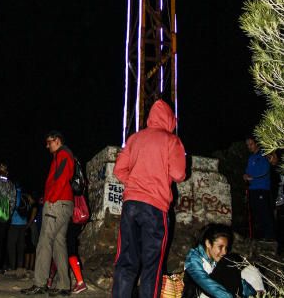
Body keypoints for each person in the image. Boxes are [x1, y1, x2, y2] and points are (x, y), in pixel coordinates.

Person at [112, 99, 186, 298]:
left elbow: (118, 170)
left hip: (130, 205)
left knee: (126, 260)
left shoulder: (135, 138)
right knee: (152, 265)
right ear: (171, 120)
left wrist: (136, 183)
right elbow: (179, 174)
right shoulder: (172, 140)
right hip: (155, 208)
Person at [22, 130, 75, 297]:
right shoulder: (63, 155)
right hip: (64, 203)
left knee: (44, 242)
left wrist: (50, 200)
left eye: (49, 142)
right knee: (59, 244)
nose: (47, 145)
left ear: (57, 141)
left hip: (57, 204)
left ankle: (40, 283)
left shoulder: (63, 154)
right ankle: (64, 286)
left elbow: (61, 179)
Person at [182, 223, 264, 298]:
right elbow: (206, 284)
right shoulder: (193, 259)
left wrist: (252, 293)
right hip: (202, 295)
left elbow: (236, 280)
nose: (224, 252)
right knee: (230, 260)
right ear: (208, 244)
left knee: (250, 270)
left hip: (220, 294)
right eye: (220, 247)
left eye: (226, 248)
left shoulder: (215, 260)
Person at [243, 136, 274, 240]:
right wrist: (245, 176)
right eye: (247, 145)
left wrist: (271, 154)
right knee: (256, 214)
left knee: (265, 213)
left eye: (251, 144)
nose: (249, 147)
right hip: (252, 190)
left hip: (262, 188)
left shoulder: (264, 154)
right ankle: (260, 238)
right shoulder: (250, 158)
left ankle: (270, 238)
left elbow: (274, 162)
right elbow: (247, 172)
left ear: (256, 143)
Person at [7, 182, 30, 277]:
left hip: (14, 223)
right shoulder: (25, 196)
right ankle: (20, 266)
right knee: (21, 246)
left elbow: (12, 207)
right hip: (23, 223)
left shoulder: (14, 194)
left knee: (11, 245)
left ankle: (13, 267)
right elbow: (28, 208)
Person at [266, 150, 284, 254]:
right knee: (279, 225)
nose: (269, 161)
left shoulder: (281, 168)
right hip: (279, 202)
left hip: (281, 201)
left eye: (270, 158)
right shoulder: (273, 169)